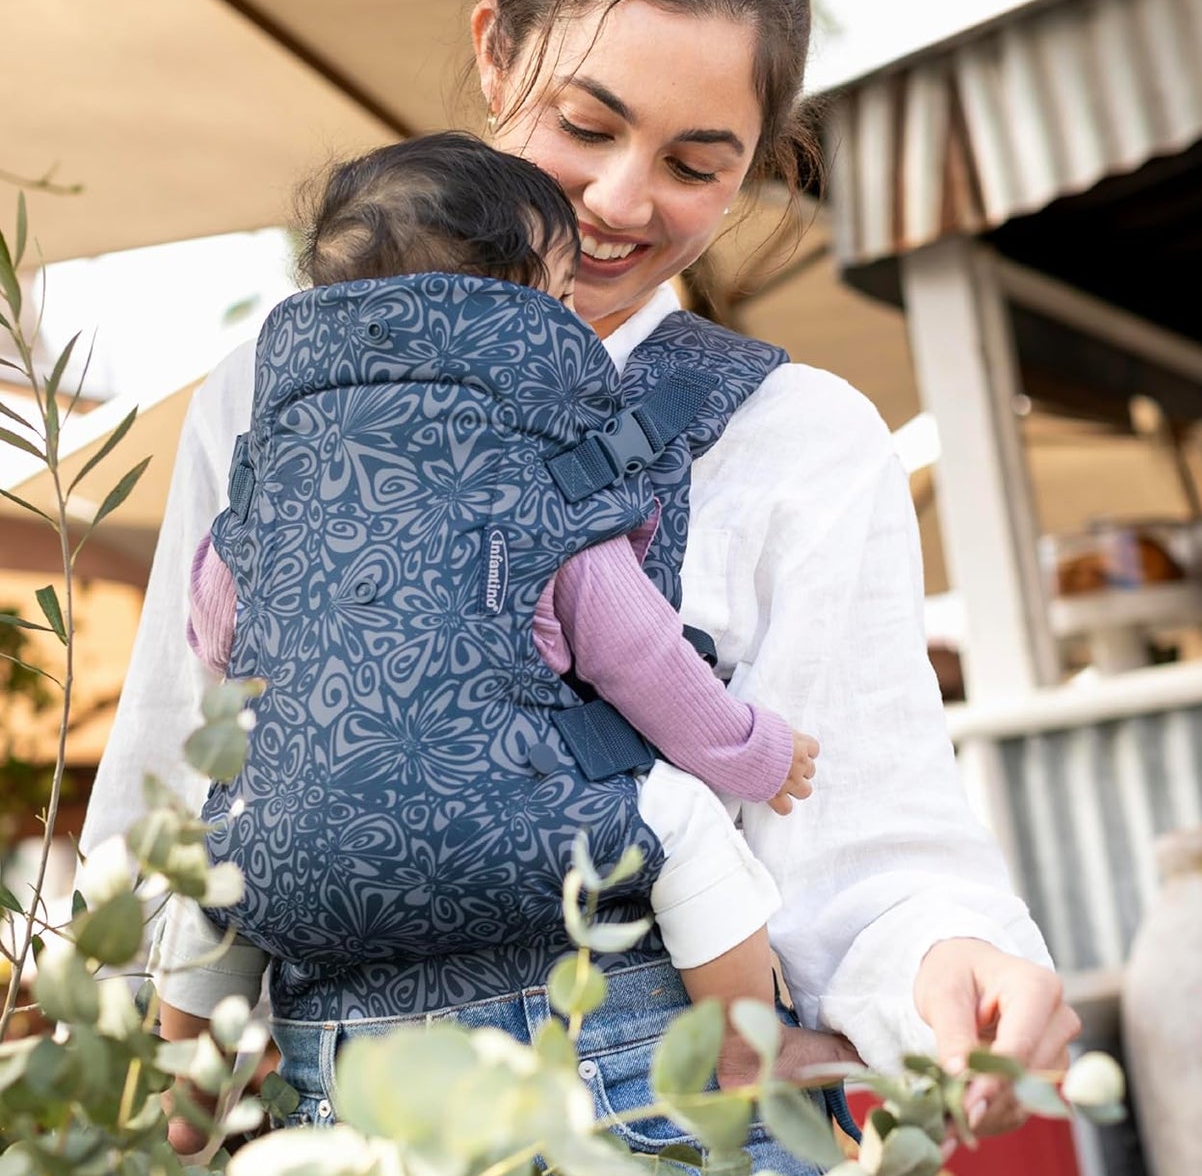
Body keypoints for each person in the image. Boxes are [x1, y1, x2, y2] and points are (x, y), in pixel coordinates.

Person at [84, 0, 1079, 1176]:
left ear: (756, 172)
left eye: (694, 162)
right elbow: (179, 788)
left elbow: (873, 860)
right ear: (495, 55)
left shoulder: (801, 437)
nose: (618, 203)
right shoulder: (267, 396)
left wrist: (955, 963)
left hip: (679, 1143)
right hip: (337, 1156)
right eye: (585, 122)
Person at [158, 130, 825, 1092]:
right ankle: (742, 1040)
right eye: (558, 295)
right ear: (514, 311)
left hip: (303, 845)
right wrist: (755, 752)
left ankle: (188, 1079)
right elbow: (644, 663)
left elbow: (215, 632)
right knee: (680, 821)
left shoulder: (277, 480)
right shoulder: (534, 471)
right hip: (516, 825)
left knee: (219, 860)